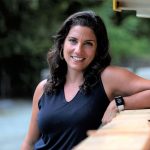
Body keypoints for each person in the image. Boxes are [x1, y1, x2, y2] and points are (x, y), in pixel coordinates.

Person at [21, 10, 150, 150]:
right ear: (62, 44)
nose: (78, 50)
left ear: (97, 49)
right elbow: (30, 142)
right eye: (73, 41)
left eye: (88, 43)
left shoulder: (107, 77)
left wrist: (119, 102)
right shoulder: (43, 88)